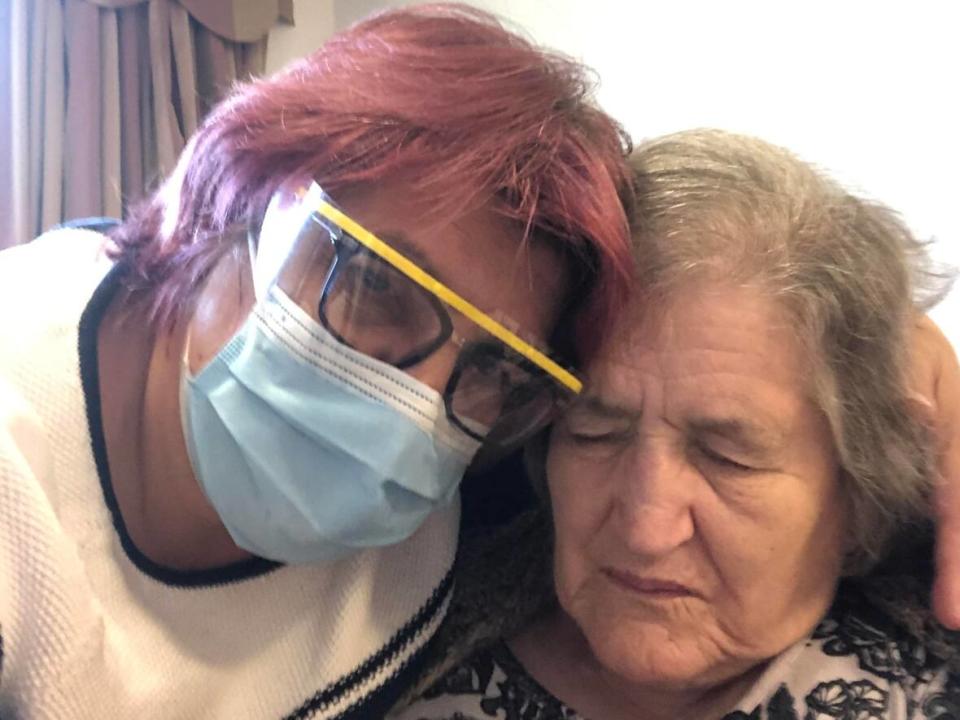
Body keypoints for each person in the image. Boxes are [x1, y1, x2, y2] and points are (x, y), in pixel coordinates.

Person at [0, 6, 636, 719]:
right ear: (238, 201)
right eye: (373, 282)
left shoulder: (459, 525)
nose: (415, 416)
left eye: (495, 369)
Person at [396, 130, 960, 719]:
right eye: (596, 433)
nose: (646, 527)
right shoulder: (403, 651)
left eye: (727, 457)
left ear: (860, 498)